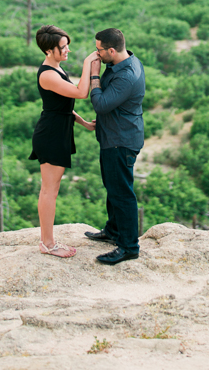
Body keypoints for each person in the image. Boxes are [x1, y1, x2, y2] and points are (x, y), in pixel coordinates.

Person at [28, 24, 98, 258]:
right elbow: (80, 93)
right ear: (49, 50)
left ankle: (48, 241)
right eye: (63, 47)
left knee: (51, 188)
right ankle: (48, 244)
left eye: (67, 45)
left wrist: (85, 123)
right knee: (49, 190)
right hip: (51, 135)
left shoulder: (56, 68)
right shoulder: (48, 74)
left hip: (57, 131)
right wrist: (88, 63)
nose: (67, 50)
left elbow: (60, 107)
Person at [82, 28, 146, 265]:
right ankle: (113, 231)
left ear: (111, 50)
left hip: (121, 140)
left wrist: (94, 75)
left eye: (98, 49)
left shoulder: (126, 75)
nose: (95, 53)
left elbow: (100, 103)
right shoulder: (124, 61)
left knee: (122, 193)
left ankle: (129, 247)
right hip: (115, 135)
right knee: (113, 186)